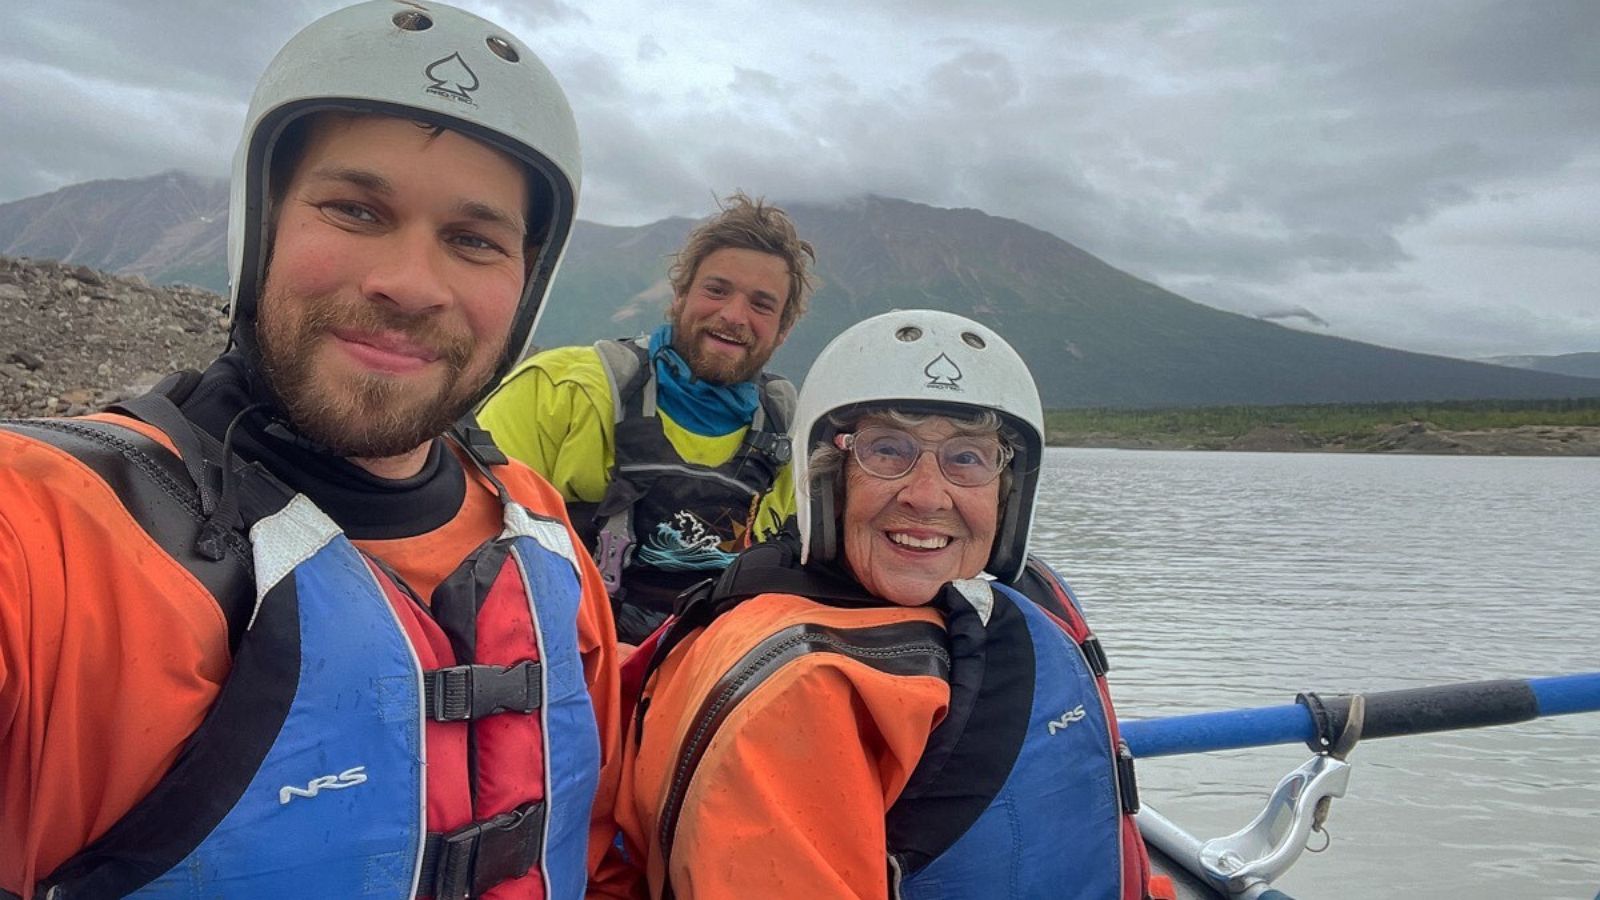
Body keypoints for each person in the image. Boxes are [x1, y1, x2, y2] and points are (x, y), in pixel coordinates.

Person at [0, 4, 621, 898]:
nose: (410, 286)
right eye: (357, 209)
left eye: (474, 240)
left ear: (526, 285)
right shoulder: (55, 522)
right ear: (264, 225)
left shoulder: (542, 532)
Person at [608, 310, 1163, 899]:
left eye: (967, 458)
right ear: (829, 478)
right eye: (888, 450)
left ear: (1007, 491)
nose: (927, 496)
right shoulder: (803, 689)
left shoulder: (1020, 603)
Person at [477, 194, 816, 645]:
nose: (733, 315)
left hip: (706, 680)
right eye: (716, 290)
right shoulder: (559, 391)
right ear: (678, 297)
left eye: (761, 304)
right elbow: (469, 542)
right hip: (558, 663)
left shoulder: (790, 438)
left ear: (784, 328)